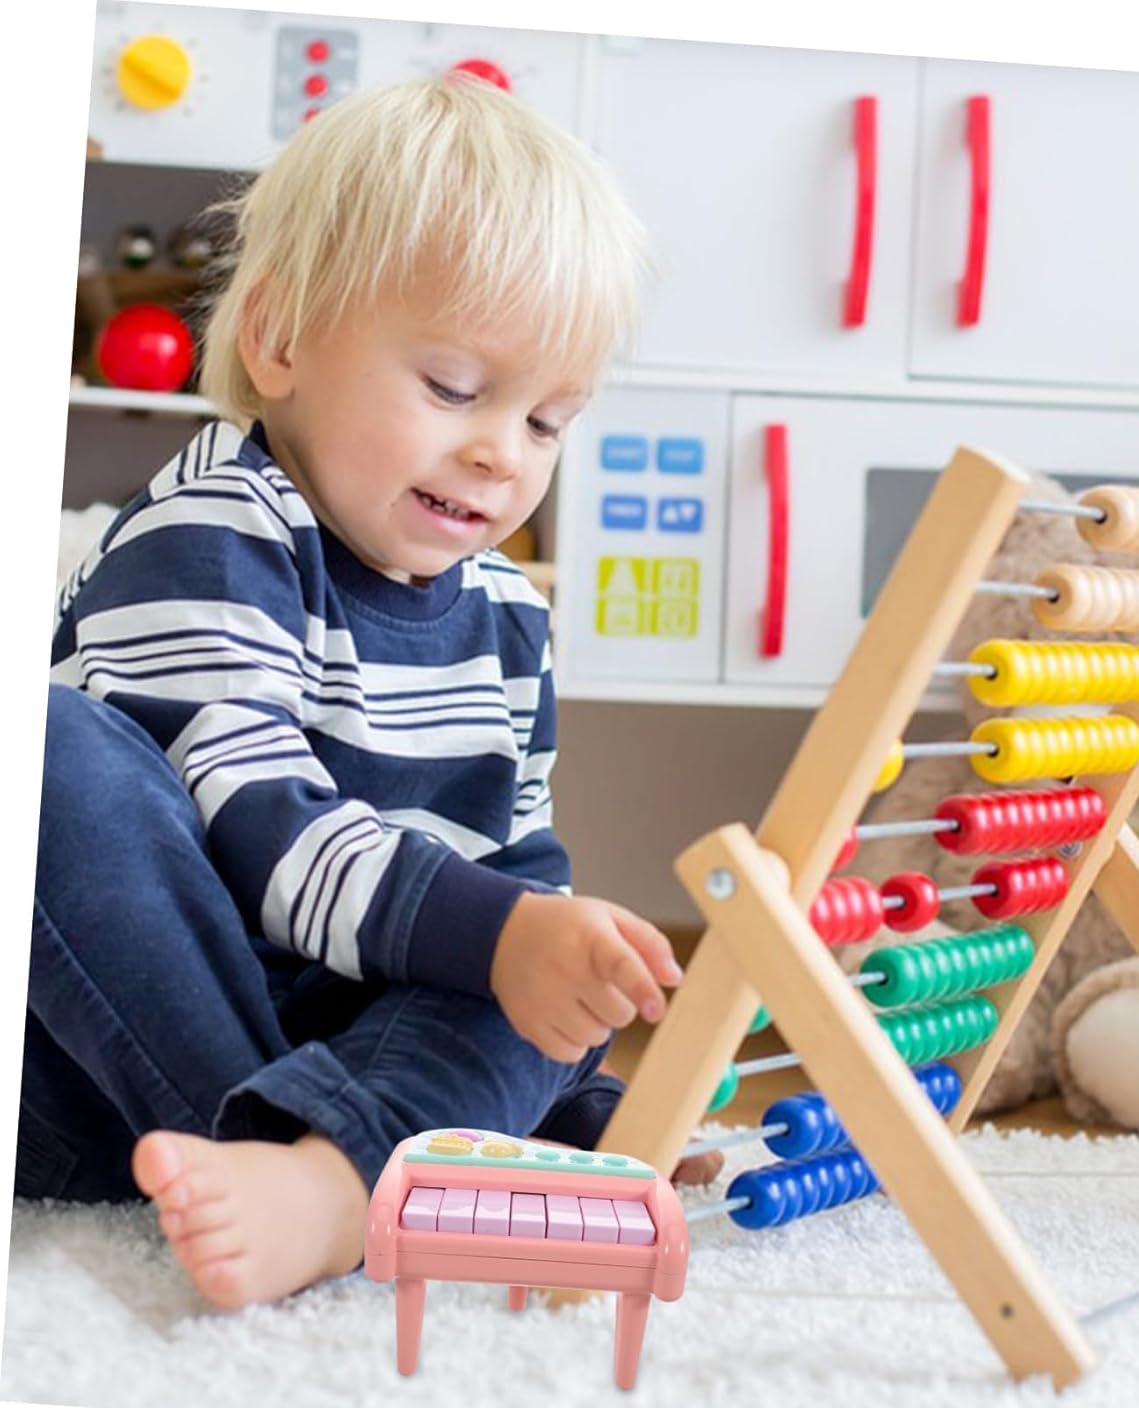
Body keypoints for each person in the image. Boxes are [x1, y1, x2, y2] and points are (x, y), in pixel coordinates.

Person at [22, 71, 719, 1311]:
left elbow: (512, 866)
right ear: (281, 341)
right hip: (123, 1061)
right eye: (453, 389)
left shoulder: (508, 612)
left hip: (353, 1037)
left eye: (548, 422)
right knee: (43, 750)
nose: (501, 453)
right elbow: (260, 830)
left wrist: (555, 995)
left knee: (531, 974)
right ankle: (322, 1165)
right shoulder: (209, 534)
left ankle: (364, 1167)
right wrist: (499, 937)